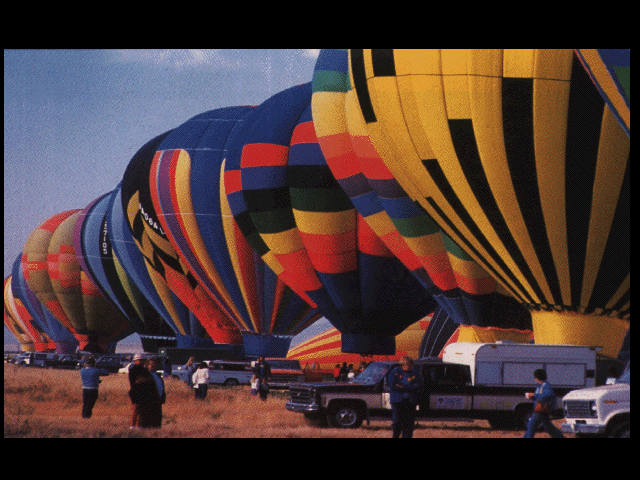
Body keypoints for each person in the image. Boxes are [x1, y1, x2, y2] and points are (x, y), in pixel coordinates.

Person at [523, 368, 564, 438]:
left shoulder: (545, 385)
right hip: (543, 409)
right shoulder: (541, 385)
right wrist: (532, 397)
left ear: (537, 377)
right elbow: (540, 396)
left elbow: (548, 395)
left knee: (531, 425)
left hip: (541, 410)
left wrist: (534, 395)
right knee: (549, 427)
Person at [389, 356, 421, 438]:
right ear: (403, 365)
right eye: (408, 365)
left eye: (411, 364)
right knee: (397, 422)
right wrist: (409, 387)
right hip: (397, 401)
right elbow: (393, 385)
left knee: (409, 423)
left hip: (410, 401)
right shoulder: (394, 372)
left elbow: (418, 385)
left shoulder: (415, 373)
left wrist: (403, 387)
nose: (410, 366)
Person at [128, 354, 158, 428]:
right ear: (135, 361)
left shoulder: (144, 370)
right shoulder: (133, 369)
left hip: (144, 392)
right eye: (140, 360)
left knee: (142, 411)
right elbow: (137, 381)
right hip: (136, 392)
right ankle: (132, 426)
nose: (142, 362)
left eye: (143, 360)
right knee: (135, 410)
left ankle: (139, 426)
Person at [146, 357, 166, 428]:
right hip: (150, 400)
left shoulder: (157, 375)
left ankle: (156, 431)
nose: (153, 365)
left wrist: (162, 397)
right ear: (147, 365)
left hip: (158, 400)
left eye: (154, 364)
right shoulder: (146, 375)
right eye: (151, 364)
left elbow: (162, 387)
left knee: (157, 418)